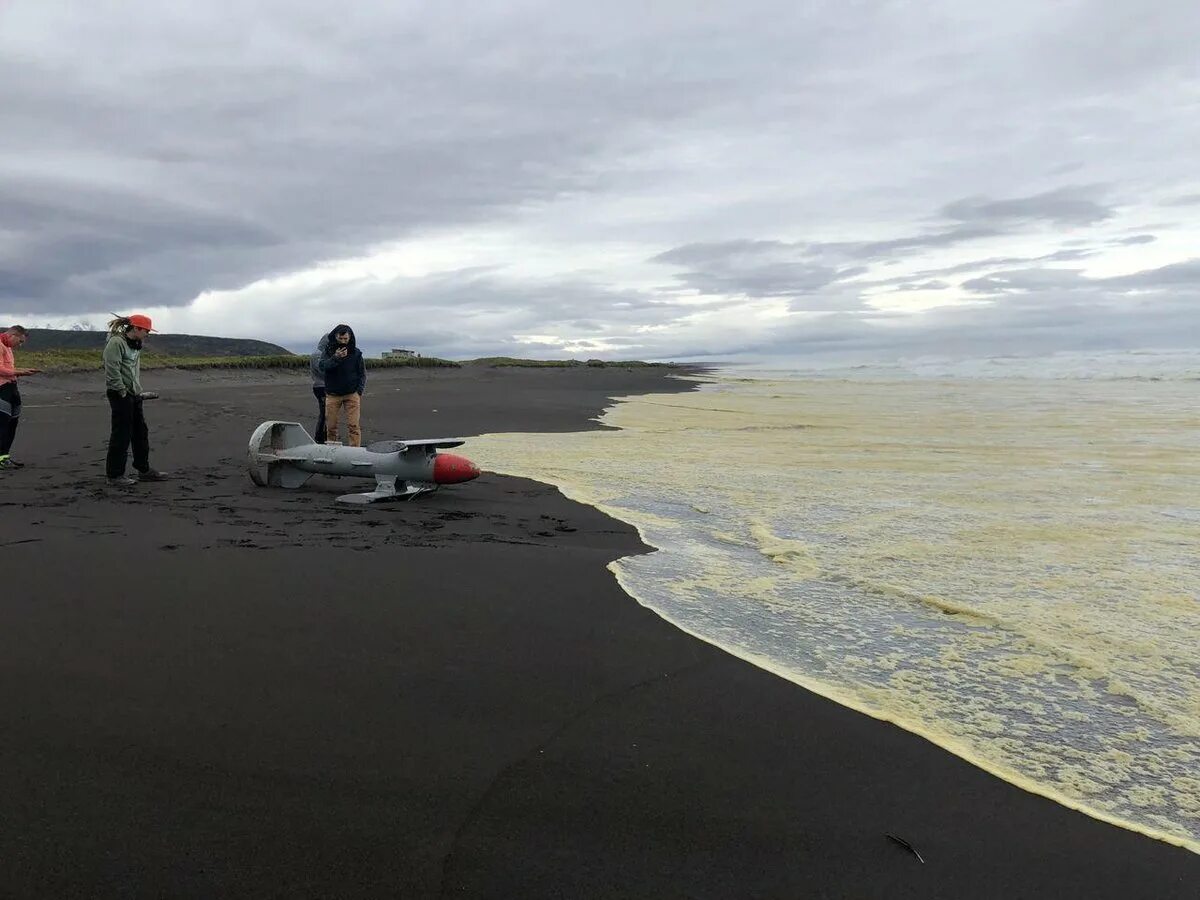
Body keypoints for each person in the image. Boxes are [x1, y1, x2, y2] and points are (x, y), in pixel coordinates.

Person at [103, 314, 168, 486]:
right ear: (136, 328)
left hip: (134, 394)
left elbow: (132, 370)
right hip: (120, 394)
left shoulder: (136, 344)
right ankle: (114, 475)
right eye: (146, 331)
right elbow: (112, 369)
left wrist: (137, 392)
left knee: (140, 433)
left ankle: (143, 469)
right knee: (121, 435)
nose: (147, 334)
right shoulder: (116, 343)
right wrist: (122, 391)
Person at [317, 324, 366, 447]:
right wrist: (336, 357)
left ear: (350, 337)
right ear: (335, 337)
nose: (343, 342)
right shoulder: (328, 351)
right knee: (331, 426)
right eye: (341, 339)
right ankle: (332, 450)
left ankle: (354, 451)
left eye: (346, 339)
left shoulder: (356, 353)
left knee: (354, 426)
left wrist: (359, 391)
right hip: (333, 395)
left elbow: (362, 373)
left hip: (351, 394)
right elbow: (322, 367)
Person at [0, 325, 40, 469]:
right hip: (2, 389)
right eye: (20, 341)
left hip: (11, 388)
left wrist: (22, 370)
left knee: (12, 423)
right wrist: (21, 372)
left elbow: (9, 369)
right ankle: (1, 458)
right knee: (3, 424)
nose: (20, 345)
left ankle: (4, 456)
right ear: (13, 335)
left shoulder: (8, 347)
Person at [310, 332, 330, 443]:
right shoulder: (318, 354)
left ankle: (323, 436)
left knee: (326, 413)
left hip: (321, 385)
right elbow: (322, 370)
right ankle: (320, 438)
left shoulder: (321, 353)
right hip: (321, 386)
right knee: (324, 414)